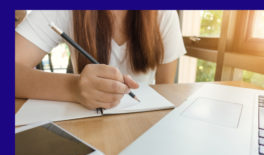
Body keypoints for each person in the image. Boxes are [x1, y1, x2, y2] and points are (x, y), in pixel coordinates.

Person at [15, 10, 186, 110]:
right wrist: (73, 87)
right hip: (84, 119)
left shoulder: (164, 12)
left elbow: (166, 90)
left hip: (142, 121)